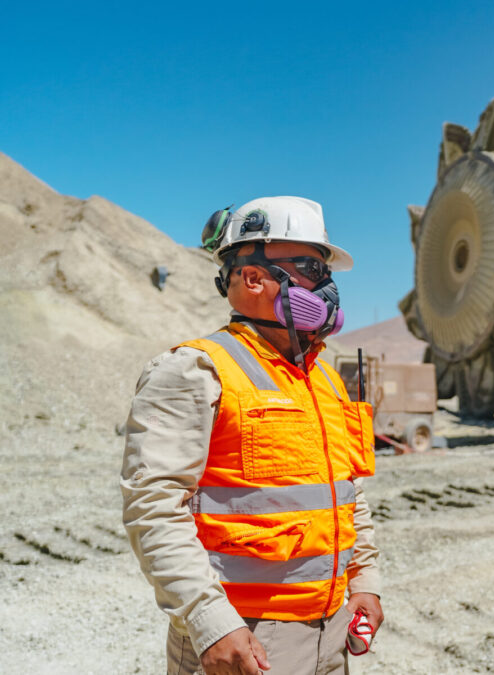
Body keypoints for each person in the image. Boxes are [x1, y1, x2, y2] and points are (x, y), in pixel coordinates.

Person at [121, 196, 382, 675]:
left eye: (326, 273)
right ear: (253, 277)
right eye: (309, 268)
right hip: (246, 638)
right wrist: (210, 621)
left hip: (330, 632)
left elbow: (348, 494)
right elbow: (153, 507)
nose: (327, 288)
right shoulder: (194, 371)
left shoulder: (323, 378)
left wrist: (364, 578)